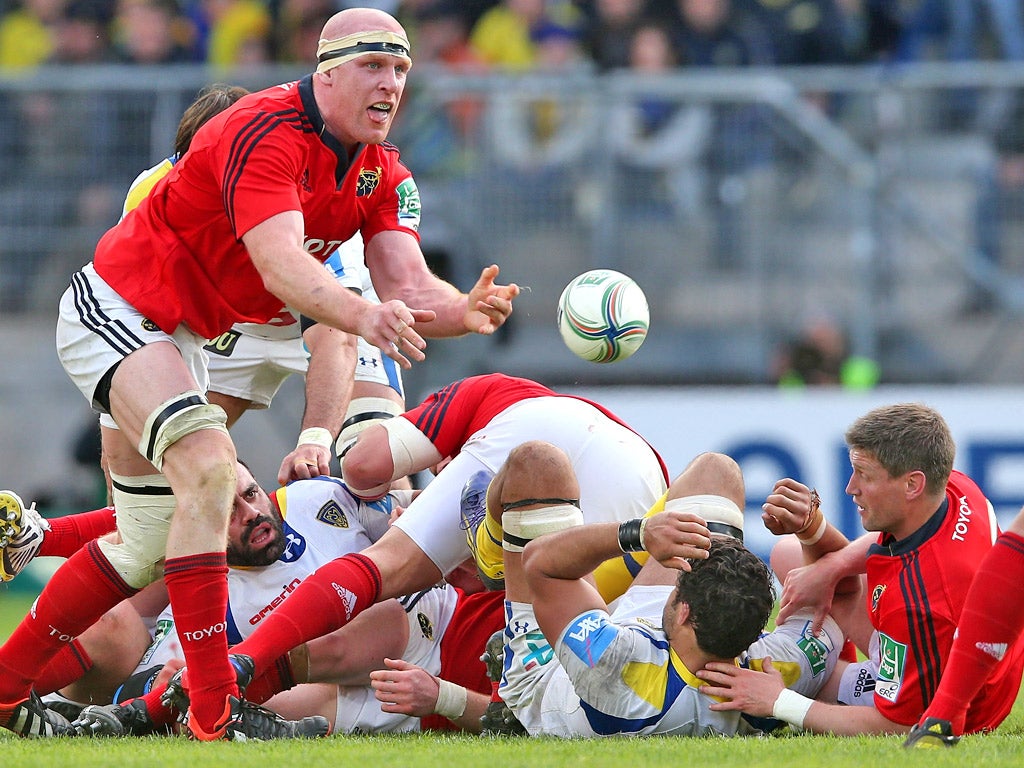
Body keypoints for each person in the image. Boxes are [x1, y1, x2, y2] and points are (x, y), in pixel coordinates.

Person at [0, 6, 518, 741]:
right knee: (213, 473)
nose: (391, 84)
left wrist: (463, 308)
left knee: (156, 540)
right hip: (127, 312)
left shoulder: (382, 170)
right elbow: (281, 266)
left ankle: (8, 670)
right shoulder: (264, 131)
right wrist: (359, 321)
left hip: (216, 332)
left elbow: (403, 280)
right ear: (327, 71)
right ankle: (213, 713)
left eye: (401, 69)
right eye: (374, 66)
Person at [202, 372, 669, 701]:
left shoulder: (475, 396)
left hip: (456, 621)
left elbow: (364, 468)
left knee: (387, 576)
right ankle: (491, 550)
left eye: (249, 494)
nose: (248, 512)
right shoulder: (514, 395)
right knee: (572, 650)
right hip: (646, 498)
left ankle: (236, 667)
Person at [1, 463, 502, 736]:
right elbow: (138, 526)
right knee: (114, 622)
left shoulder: (314, 500)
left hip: (362, 668)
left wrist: (406, 506)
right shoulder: (203, 581)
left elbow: (407, 502)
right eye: (228, 512)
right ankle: (26, 690)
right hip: (199, 666)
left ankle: (126, 718)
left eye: (252, 494)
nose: (251, 512)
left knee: (284, 682)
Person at [695, 403, 1024, 737]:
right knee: (790, 556)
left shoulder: (918, 605)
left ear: (912, 485)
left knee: (804, 679)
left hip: (960, 703)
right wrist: (831, 564)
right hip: (980, 661)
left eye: (864, 475)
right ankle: (830, 649)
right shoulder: (955, 488)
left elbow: (898, 725)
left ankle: (829, 672)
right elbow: (889, 541)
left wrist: (781, 701)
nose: (850, 487)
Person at [489, 443, 843, 736]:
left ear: (684, 608)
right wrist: (811, 529)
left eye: (680, 582)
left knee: (537, 463)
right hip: (668, 653)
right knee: (716, 472)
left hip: (555, 672)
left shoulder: (611, 657)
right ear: (757, 629)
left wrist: (637, 534)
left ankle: (486, 543)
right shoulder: (777, 672)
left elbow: (543, 566)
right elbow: (837, 598)